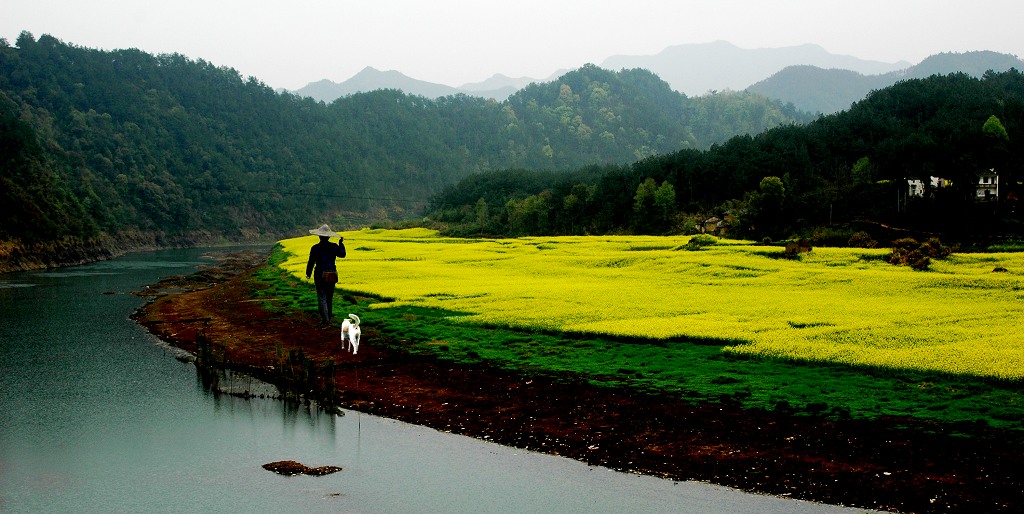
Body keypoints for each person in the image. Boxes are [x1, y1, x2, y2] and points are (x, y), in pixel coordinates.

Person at [305, 224, 347, 325]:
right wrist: (341, 244)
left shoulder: (315, 248)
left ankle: (325, 320)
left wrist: (308, 273)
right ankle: (328, 317)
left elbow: (311, 262)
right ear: (329, 236)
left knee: (321, 296)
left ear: (319, 236)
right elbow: (343, 254)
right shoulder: (333, 246)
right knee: (329, 297)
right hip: (332, 274)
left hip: (320, 274)